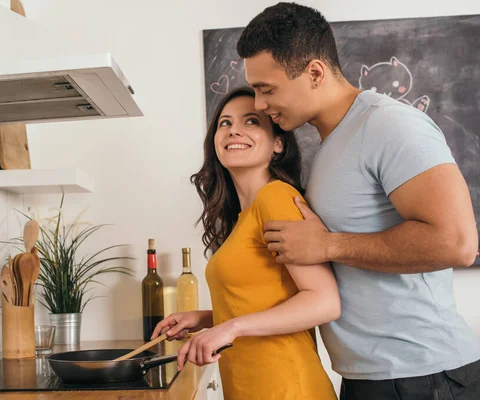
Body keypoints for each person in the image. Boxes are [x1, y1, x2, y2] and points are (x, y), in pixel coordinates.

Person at [235, 3, 480, 400]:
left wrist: (328, 245)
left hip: (425, 377)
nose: (259, 104)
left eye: (267, 89)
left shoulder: (389, 124)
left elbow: (457, 243)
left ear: (314, 72)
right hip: (368, 378)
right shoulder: (328, 145)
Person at [152, 87, 339, 400]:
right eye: (224, 123)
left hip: (288, 387)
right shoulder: (243, 217)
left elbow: (324, 301)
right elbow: (264, 298)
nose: (233, 129)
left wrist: (229, 329)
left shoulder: (275, 197)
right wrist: (206, 318)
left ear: (278, 143)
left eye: (251, 121)